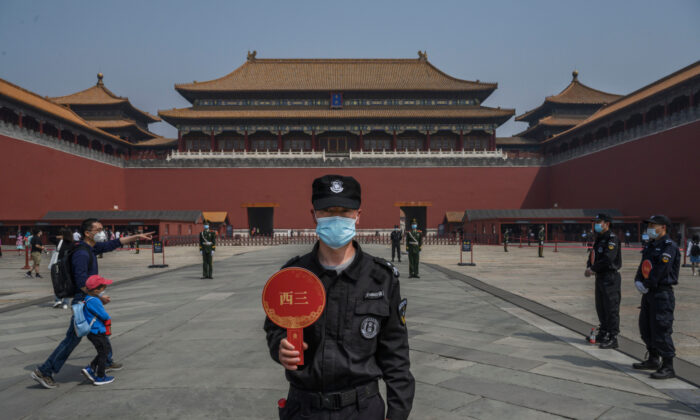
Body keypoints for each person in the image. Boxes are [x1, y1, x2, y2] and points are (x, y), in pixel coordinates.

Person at [264, 174, 414, 420]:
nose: (336, 218)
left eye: (344, 211)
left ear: (358, 215)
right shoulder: (293, 276)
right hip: (304, 408)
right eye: (327, 211)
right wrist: (279, 347)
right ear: (313, 214)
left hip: (362, 408)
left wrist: (398, 412)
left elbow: (396, 354)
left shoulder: (380, 278)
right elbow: (274, 327)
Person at [31, 218, 152, 389]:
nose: (102, 232)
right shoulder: (82, 253)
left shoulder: (90, 248)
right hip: (83, 300)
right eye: (98, 229)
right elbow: (82, 282)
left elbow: (112, 244)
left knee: (99, 331)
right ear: (87, 233)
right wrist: (99, 297)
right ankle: (45, 371)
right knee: (72, 340)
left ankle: (107, 360)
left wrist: (136, 236)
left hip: (89, 298)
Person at [632, 215, 680, 379]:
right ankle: (653, 359)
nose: (650, 228)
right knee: (646, 327)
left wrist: (648, 284)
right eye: (649, 225)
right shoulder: (651, 245)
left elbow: (661, 269)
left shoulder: (669, 246)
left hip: (662, 293)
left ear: (663, 227)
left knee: (661, 328)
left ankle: (668, 366)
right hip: (649, 293)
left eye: (653, 225)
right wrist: (638, 280)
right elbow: (643, 265)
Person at [585, 214, 622, 349]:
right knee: (601, 307)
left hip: (610, 277)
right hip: (600, 277)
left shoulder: (612, 239)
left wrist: (593, 269)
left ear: (606, 224)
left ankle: (613, 337)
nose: (596, 224)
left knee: (611, 308)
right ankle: (604, 332)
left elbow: (608, 258)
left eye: (598, 222)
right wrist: (589, 266)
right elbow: (593, 255)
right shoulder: (599, 239)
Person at [80, 275, 116, 386]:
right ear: (96, 290)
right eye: (103, 288)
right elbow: (104, 316)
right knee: (104, 352)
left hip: (93, 331)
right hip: (97, 331)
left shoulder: (87, 298)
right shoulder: (95, 300)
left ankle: (90, 368)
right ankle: (100, 376)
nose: (104, 290)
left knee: (102, 351)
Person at [49, 228, 73, 309]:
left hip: (59, 263)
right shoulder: (72, 243)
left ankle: (58, 299)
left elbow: (50, 238)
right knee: (67, 283)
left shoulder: (59, 241)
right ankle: (65, 302)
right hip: (68, 264)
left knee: (58, 282)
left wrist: (58, 237)